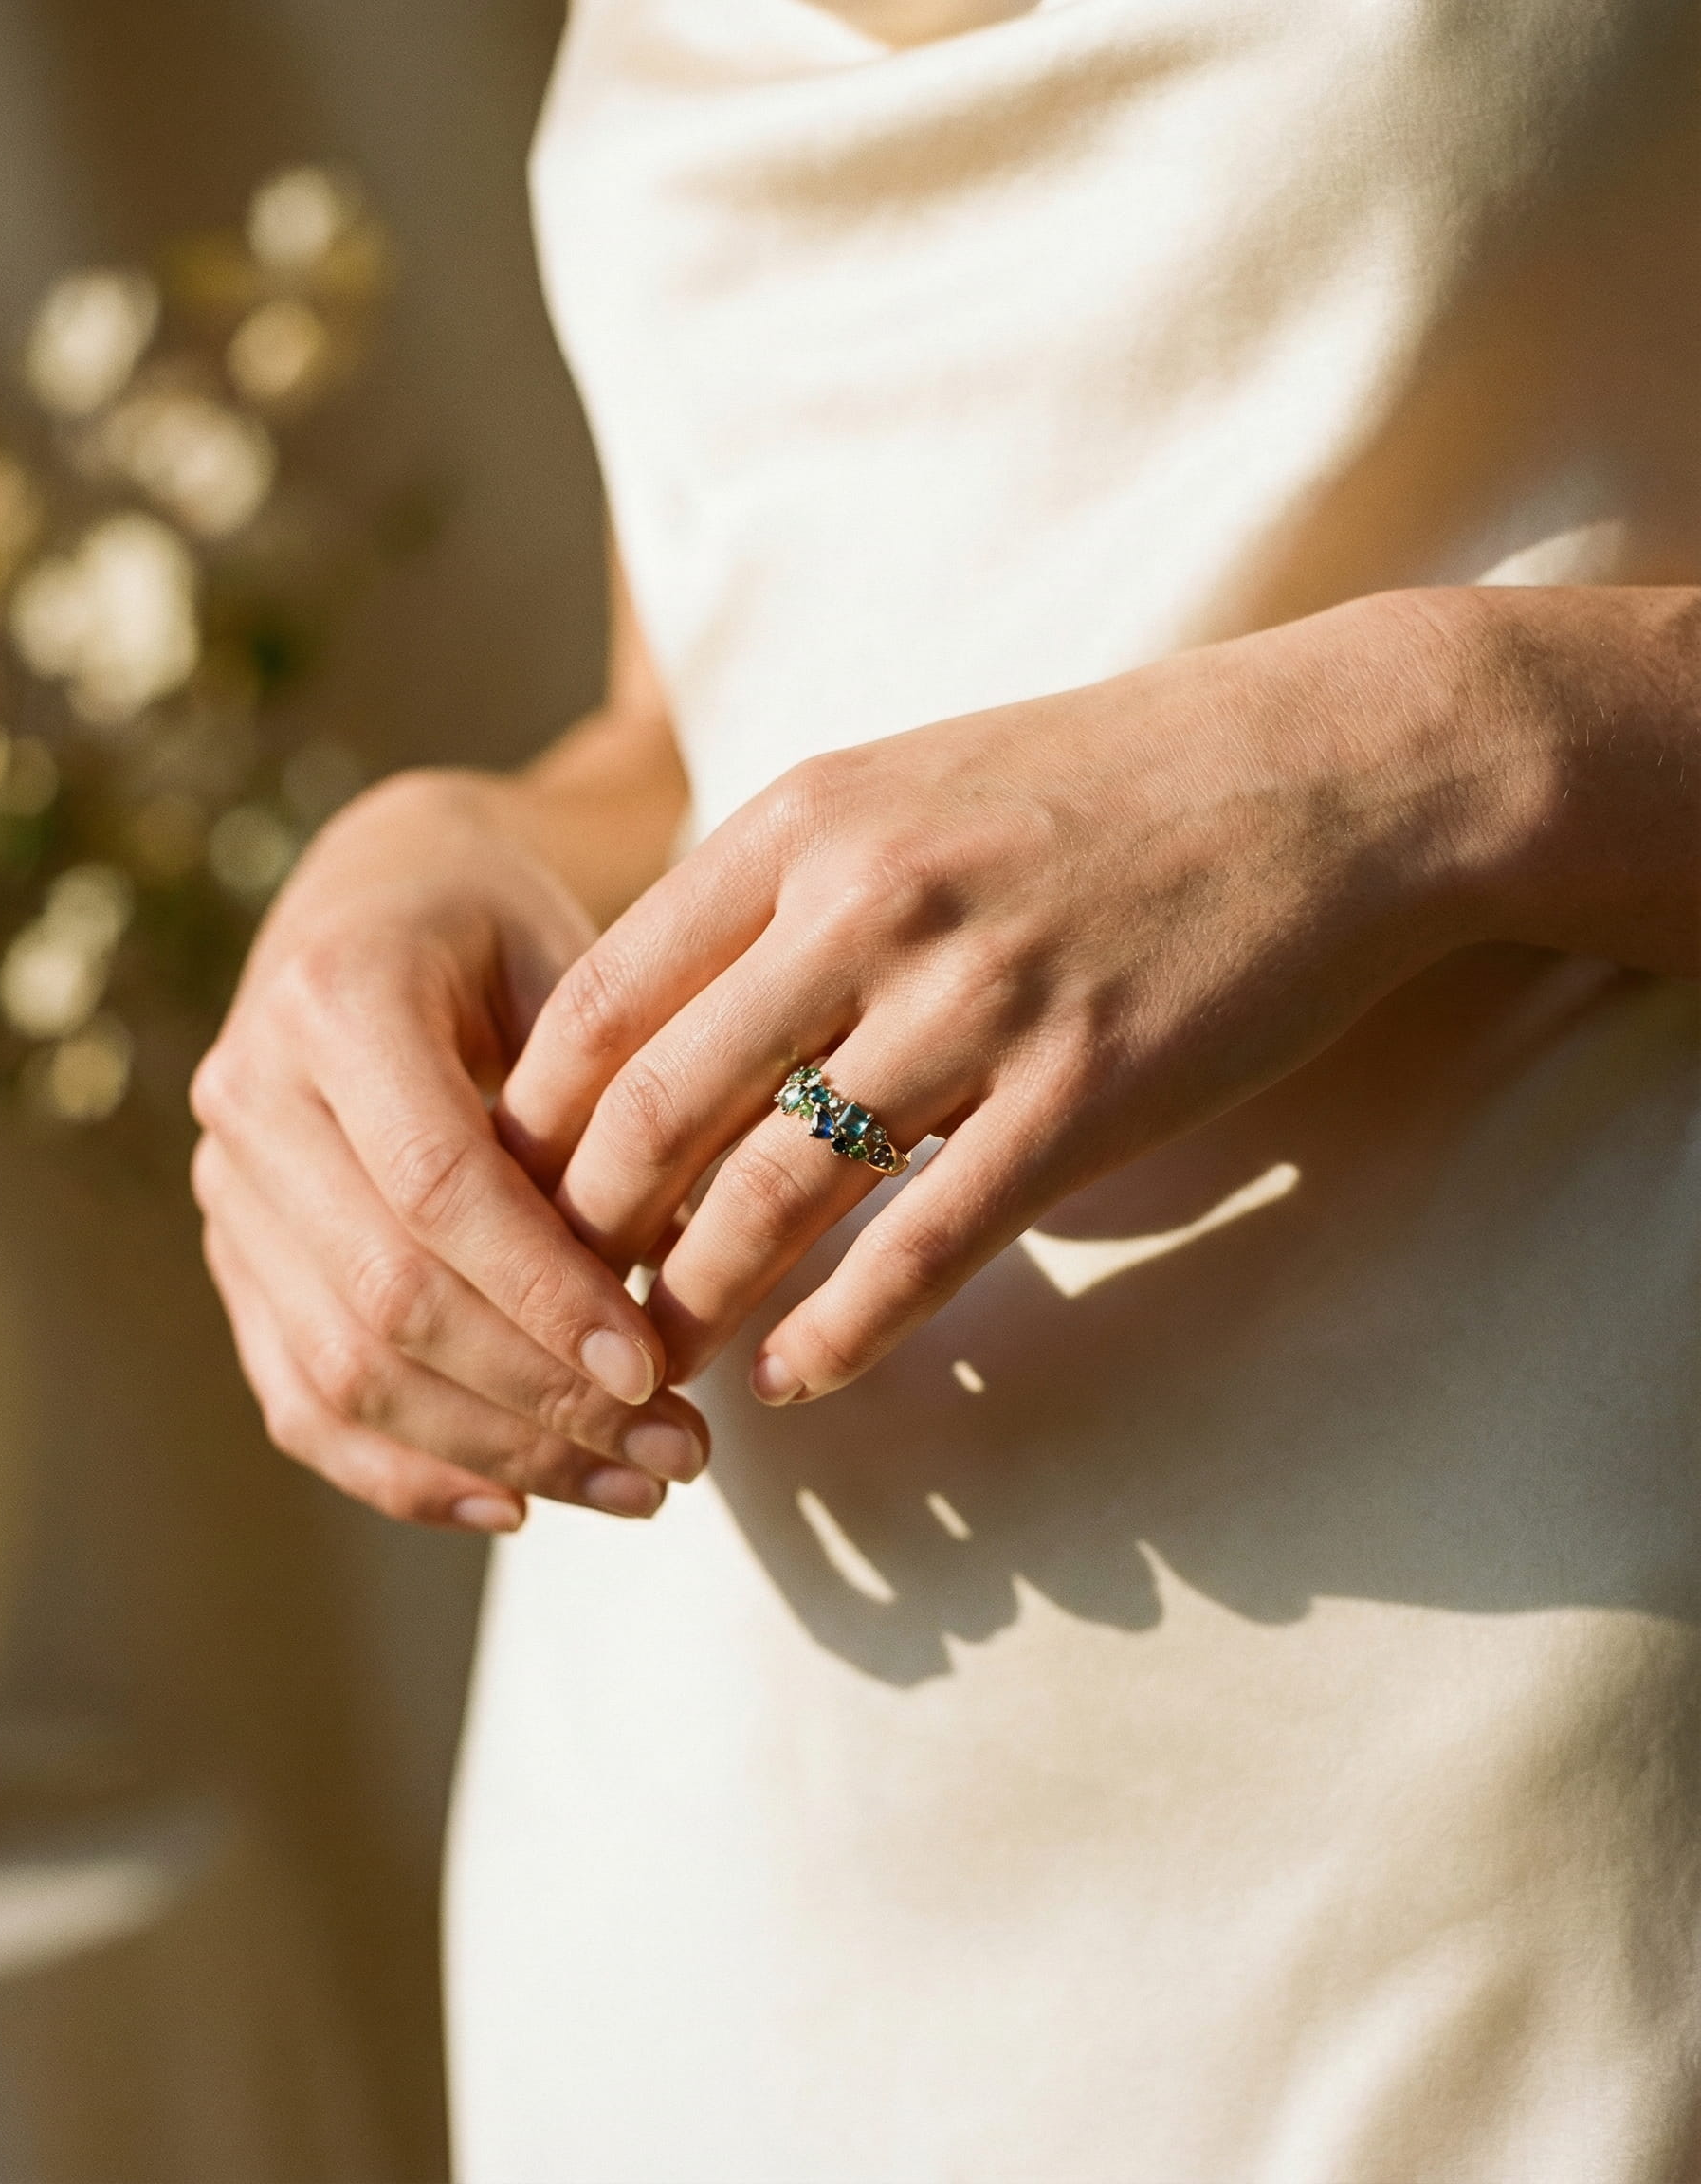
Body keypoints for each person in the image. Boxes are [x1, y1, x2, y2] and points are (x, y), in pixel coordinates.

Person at [191, 0, 1700, 2174]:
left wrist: (1430, 748)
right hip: (733, 1756)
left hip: (1524, 1726)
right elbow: (723, 694)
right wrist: (453, 842)